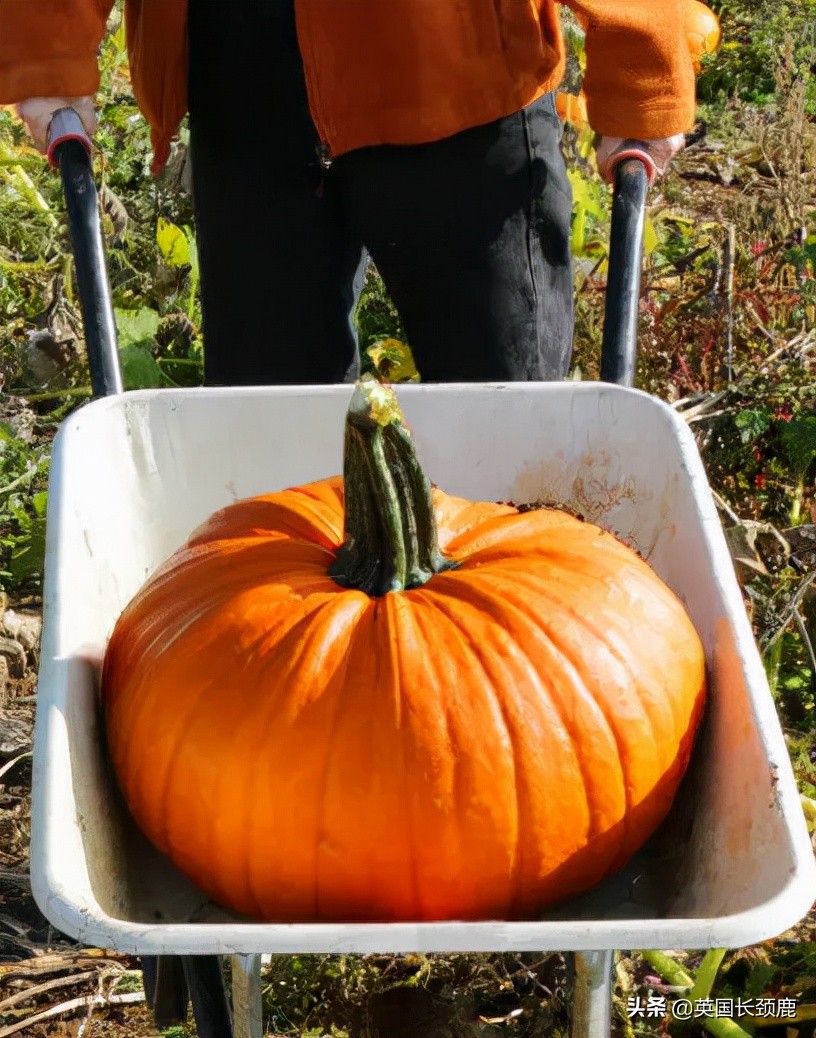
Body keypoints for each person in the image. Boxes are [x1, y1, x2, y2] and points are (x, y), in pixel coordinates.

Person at [1, 1, 693, 387]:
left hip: (449, 62)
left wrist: (643, 35)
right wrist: (47, 31)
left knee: (505, 419)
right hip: (245, 72)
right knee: (274, 437)